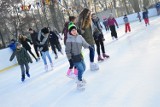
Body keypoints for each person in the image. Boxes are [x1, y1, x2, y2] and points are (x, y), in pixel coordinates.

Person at [65, 23, 91, 89]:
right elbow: (67, 51)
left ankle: (80, 78)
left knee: (84, 68)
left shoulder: (80, 37)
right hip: (74, 58)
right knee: (81, 69)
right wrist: (70, 60)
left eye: (75, 30)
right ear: (70, 32)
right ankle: (79, 81)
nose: (74, 31)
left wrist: (89, 47)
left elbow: (84, 44)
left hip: (80, 56)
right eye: (72, 30)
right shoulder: (69, 40)